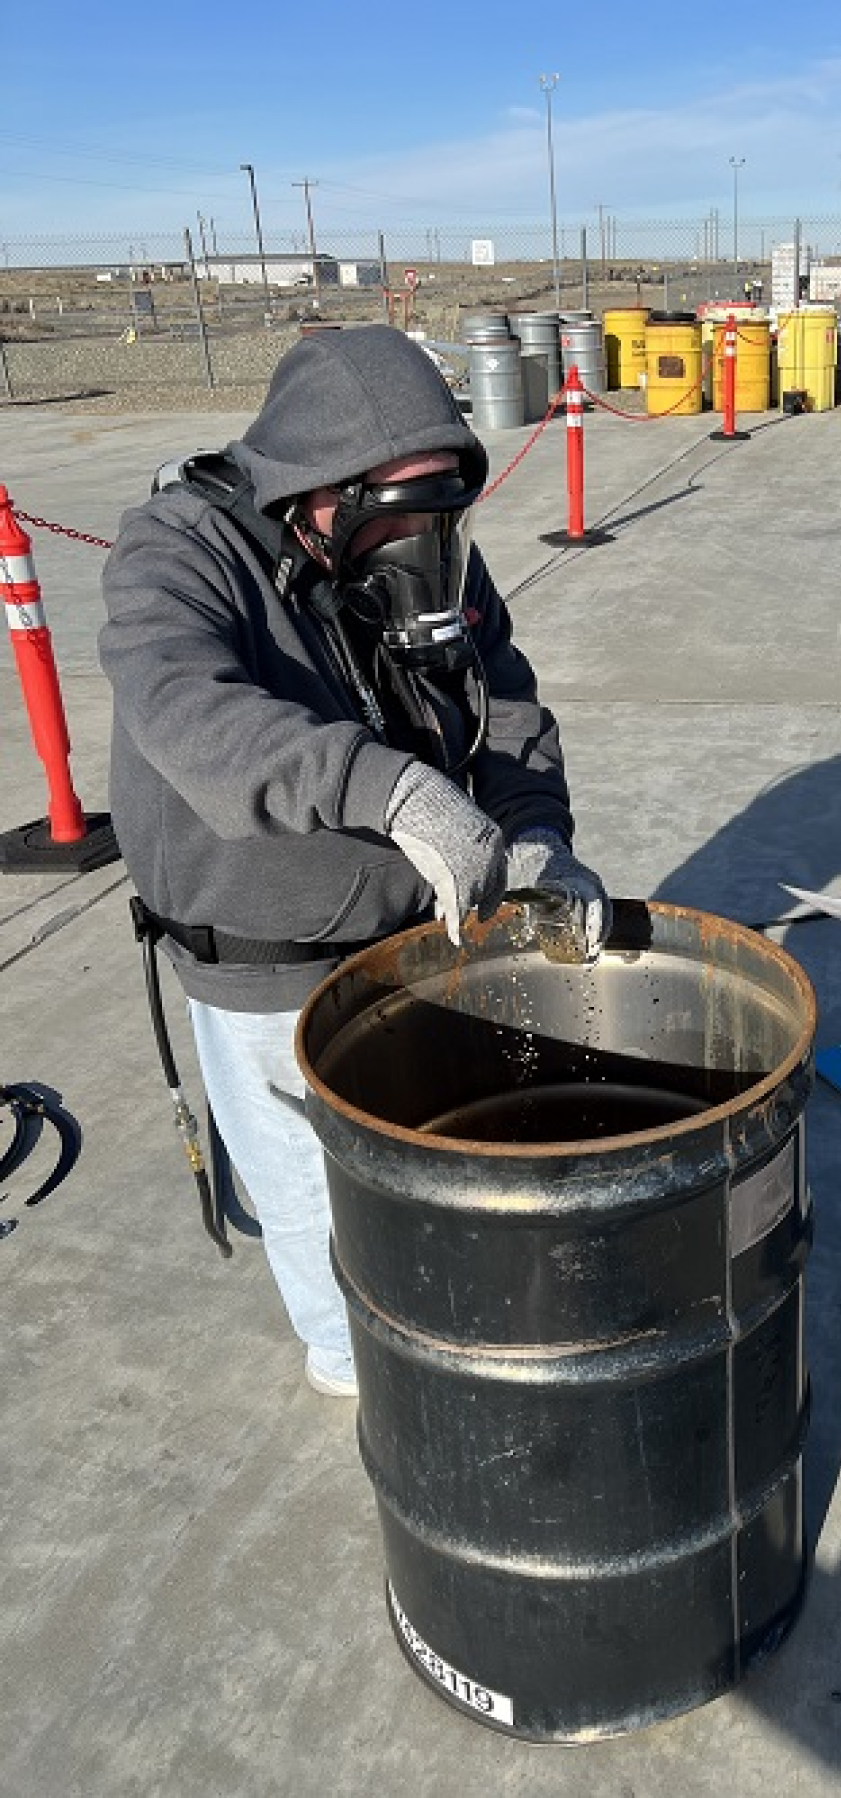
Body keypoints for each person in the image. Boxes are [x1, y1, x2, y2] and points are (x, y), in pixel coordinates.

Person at [100, 324, 610, 1399]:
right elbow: (187, 710)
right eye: (397, 517)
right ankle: (372, 1383)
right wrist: (387, 786)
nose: (419, 542)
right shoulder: (181, 551)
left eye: (440, 514)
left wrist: (537, 829)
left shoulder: (431, 556)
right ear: (318, 489)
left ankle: (444, 1340)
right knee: (314, 1199)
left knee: (432, 1171)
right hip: (268, 965)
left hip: (416, 938)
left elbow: (503, 700)